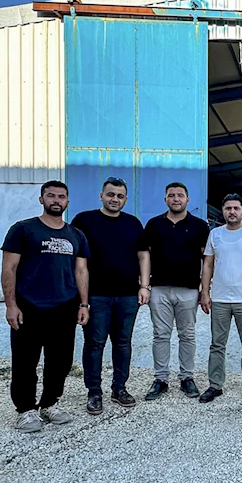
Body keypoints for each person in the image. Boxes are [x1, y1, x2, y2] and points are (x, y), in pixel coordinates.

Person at [1, 180, 91, 433]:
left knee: (60, 361)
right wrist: (11, 305)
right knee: (25, 361)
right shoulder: (23, 230)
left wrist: (84, 304)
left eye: (61, 196)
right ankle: (25, 410)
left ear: (67, 202)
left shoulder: (76, 235)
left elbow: (81, 271)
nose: (56, 200)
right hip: (29, 306)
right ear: (41, 199)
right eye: (51, 196)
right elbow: (9, 269)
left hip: (64, 306)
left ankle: (49, 403)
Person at [71, 177, 150, 415]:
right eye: (111, 194)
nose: (115, 199)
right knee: (95, 344)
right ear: (101, 196)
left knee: (123, 343)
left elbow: (143, 255)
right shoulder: (84, 221)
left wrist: (144, 286)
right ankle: (94, 392)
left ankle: (119, 388)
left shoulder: (133, 223)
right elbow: (77, 261)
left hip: (127, 295)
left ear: (125, 199)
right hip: (96, 296)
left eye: (120, 196)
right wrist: (82, 299)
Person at [144, 182, 210, 401]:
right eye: (171, 195)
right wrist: (144, 285)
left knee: (187, 335)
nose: (176, 199)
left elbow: (207, 260)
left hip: (188, 289)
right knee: (160, 335)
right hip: (159, 288)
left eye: (180, 195)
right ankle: (160, 379)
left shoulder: (200, 226)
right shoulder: (154, 225)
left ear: (187, 200)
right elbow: (145, 256)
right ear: (165, 199)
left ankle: (187, 377)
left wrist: (205, 289)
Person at [199, 194, 242, 404]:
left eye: (236, 208)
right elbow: (208, 264)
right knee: (217, 344)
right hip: (220, 298)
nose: (232, 212)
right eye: (228, 208)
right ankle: (215, 384)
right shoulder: (215, 234)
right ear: (223, 211)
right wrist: (205, 292)